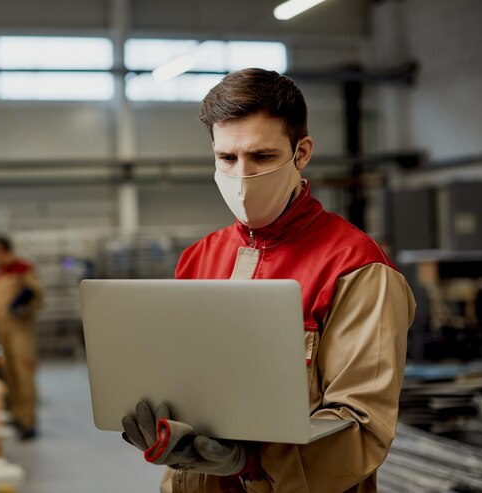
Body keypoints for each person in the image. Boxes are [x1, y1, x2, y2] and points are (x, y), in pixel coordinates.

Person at [121, 68, 416, 492]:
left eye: (262, 157)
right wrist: (164, 434)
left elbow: (360, 429)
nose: (243, 177)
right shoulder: (198, 259)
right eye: (227, 158)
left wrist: (250, 461)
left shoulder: (356, 267)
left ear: (302, 153)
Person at [0, 234, 43, 440]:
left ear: (1, 249)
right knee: (9, 374)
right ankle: (17, 415)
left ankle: (29, 421)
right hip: (3, 332)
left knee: (24, 374)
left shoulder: (22, 268)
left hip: (20, 332)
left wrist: (22, 306)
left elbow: (37, 294)